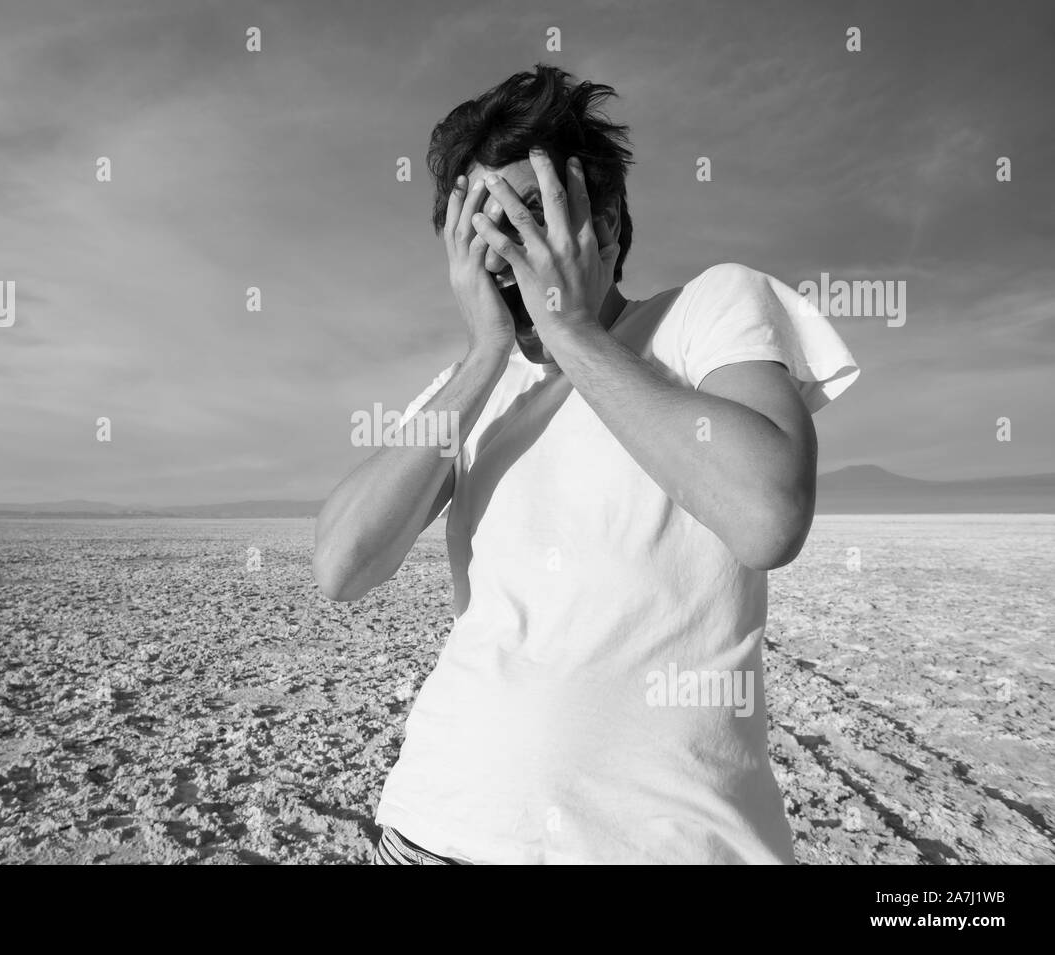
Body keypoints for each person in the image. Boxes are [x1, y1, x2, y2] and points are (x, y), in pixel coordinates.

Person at [314, 64, 859, 864]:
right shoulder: (471, 387)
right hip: (437, 829)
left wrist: (571, 332)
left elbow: (766, 514)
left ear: (603, 223)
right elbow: (342, 564)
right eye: (481, 228)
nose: (506, 252)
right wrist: (484, 353)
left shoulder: (706, 311)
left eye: (529, 219)